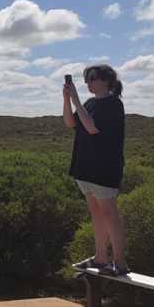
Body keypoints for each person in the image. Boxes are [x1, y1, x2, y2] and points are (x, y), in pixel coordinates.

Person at [63, 64, 129, 276]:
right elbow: (71, 122)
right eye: (86, 79)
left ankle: (119, 262)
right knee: (96, 213)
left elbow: (92, 128)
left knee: (109, 213)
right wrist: (67, 100)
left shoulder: (113, 105)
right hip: (85, 166)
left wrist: (75, 100)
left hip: (104, 168)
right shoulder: (90, 103)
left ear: (106, 80)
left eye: (92, 78)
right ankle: (100, 258)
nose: (88, 83)